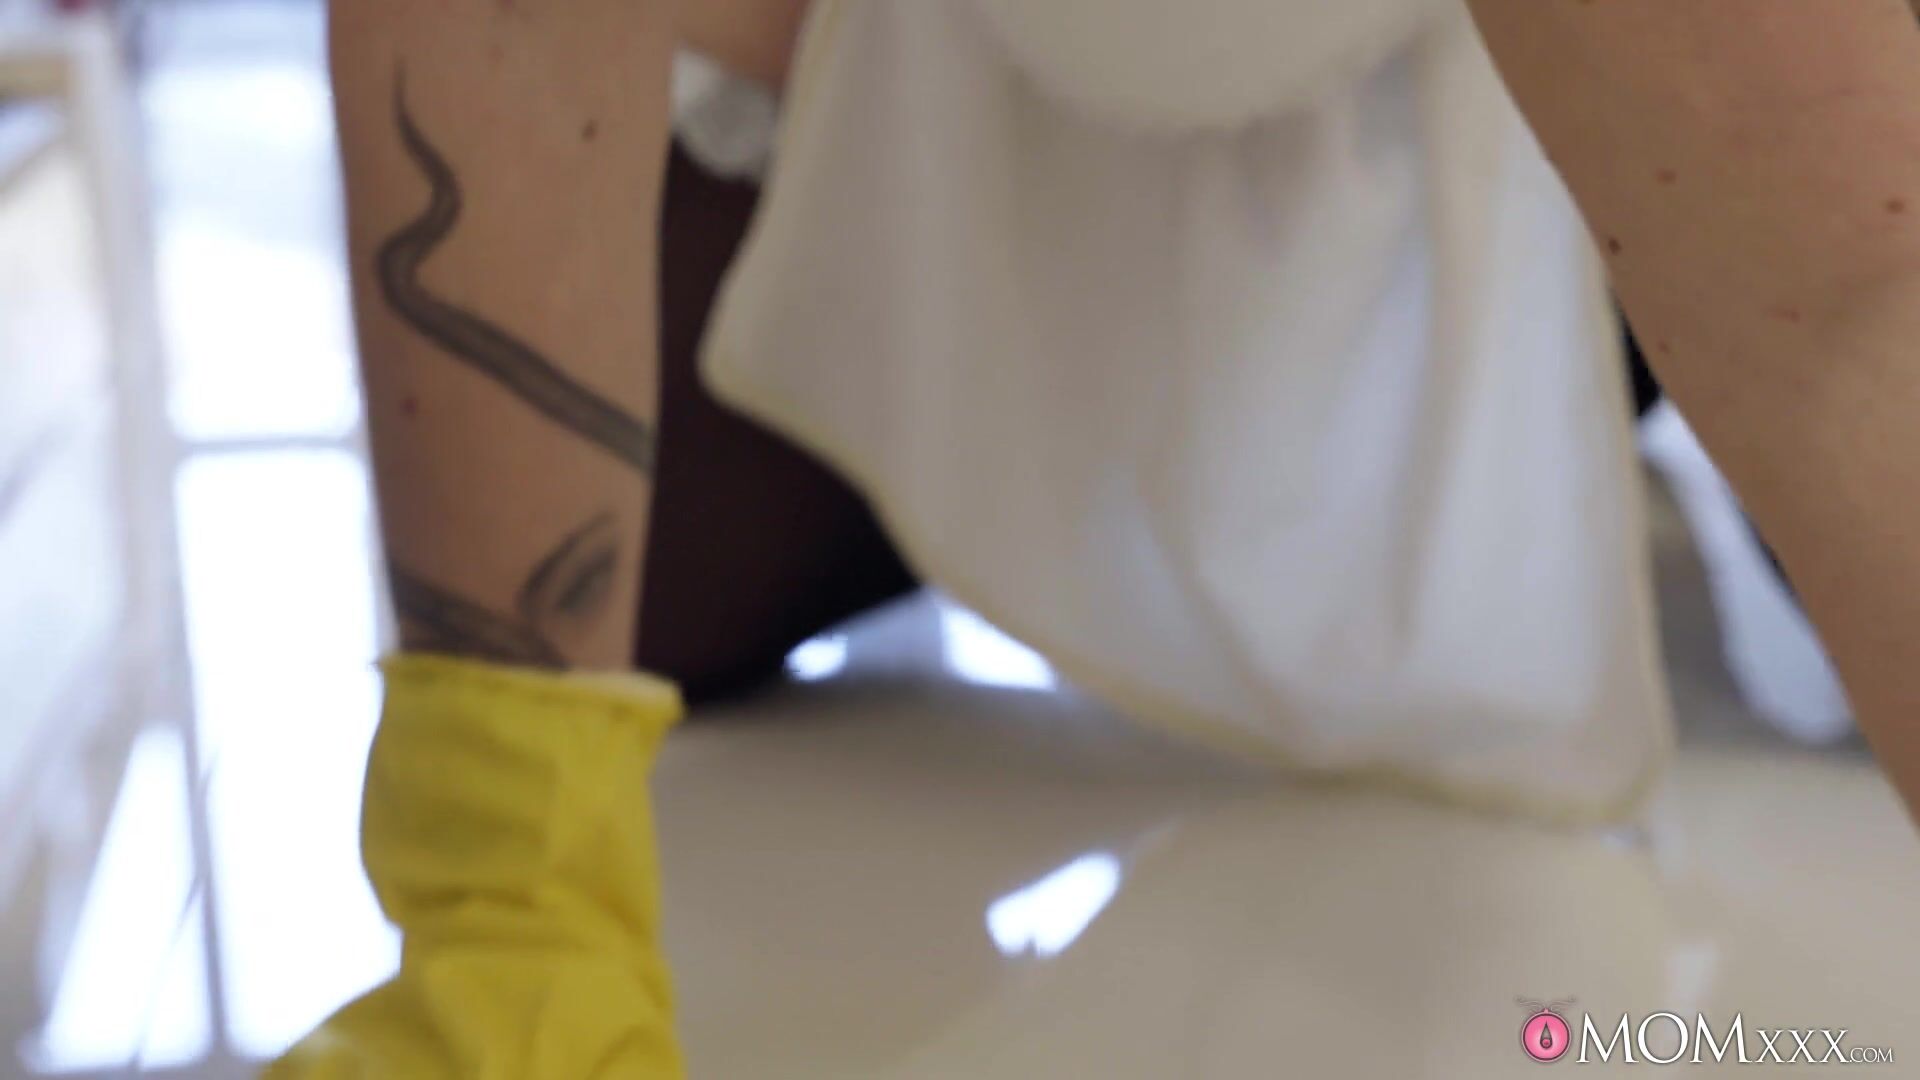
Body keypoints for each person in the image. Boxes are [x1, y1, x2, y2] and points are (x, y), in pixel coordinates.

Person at [272, 2, 1920, 1075]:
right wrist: (510, 911)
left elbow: (1841, 283)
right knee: (648, 592)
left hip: (1515, 117)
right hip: (915, 62)